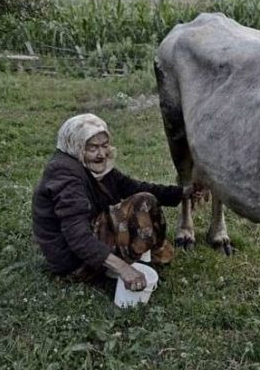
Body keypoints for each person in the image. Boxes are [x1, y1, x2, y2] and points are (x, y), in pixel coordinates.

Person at [32, 113, 194, 291]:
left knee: (145, 199)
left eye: (104, 145)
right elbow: (77, 235)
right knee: (141, 204)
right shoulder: (64, 173)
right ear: (76, 146)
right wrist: (124, 269)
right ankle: (111, 268)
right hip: (73, 261)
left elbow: (132, 187)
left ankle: (135, 261)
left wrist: (183, 193)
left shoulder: (93, 169)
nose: (101, 154)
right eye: (92, 148)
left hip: (89, 239)